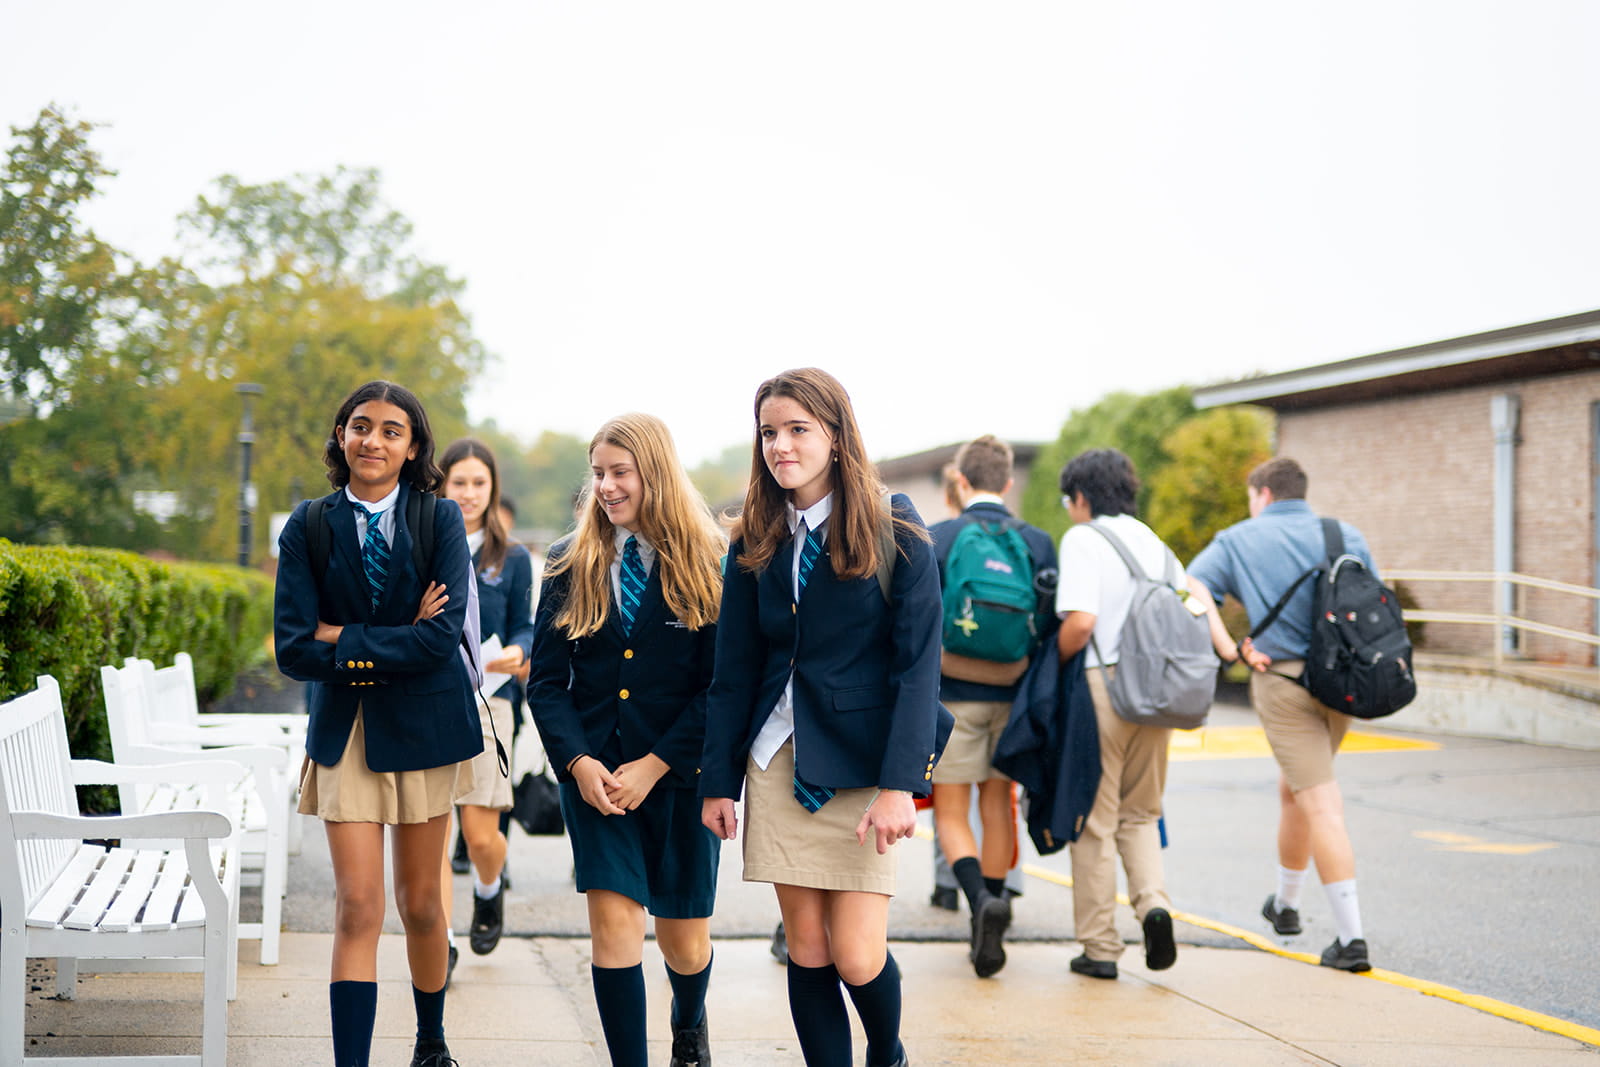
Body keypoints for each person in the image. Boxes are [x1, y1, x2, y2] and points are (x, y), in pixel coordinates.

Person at [701, 367, 947, 1067]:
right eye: (770, 432)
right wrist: (719, 780)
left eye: (798, 429)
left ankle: (887, 1052)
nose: (781, 445)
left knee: (858, 954)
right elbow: (734, 668)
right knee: (807, 948)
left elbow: (918, 664)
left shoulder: (893, 521)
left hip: (865, 765)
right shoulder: (756, 534)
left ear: (835, 437)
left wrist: (903, 782)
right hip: (779, 760)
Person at [274, 380, 480, 1067]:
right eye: (361, 425)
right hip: (348, 732)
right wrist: (392, 636)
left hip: (426, 730)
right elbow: (295, 647)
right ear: (340, 434)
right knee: (358, 905)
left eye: (393, 430)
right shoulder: (307, 524)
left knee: (421, 904)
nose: (373, 439)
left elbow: (442, 636)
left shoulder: (441, 520)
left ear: (413, 446)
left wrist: (345, 636)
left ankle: (431, 1040)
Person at [527, 413, 724, 1067]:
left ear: (655, 473)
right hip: (598, 781)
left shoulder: (708, 558)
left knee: (683, 943)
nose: (606, 487)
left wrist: (657, 763)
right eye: (598, 473)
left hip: (682, 778)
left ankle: (689, 1022)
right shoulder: (568, 559)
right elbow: (548, 684)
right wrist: (579, 762)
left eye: (620, 473)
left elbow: (719, 686)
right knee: (614, 929)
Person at [1184, 456, 1377, 973]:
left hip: (1283, 680)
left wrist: (1229, 646)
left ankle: (1351, 939)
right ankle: (1286, 905)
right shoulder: (1346, 534)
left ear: (1263, 494)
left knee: (1320, 802)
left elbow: (1190, 588)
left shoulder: (1238, 539)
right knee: (1295, 786)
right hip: (1342, 683)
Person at [929, 436, 1056, 977]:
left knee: (951, 812)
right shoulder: (1037, 542)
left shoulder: (938, 536)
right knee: (997, 802)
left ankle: (979, 900)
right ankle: (998, 896)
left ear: (960, 481)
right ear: (1007, 482)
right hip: (1014, 696)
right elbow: (1050, 626)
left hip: (951, 697)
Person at [1054, 448, 1179, 981]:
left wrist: (1053, 662)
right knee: (1142, 812)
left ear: (1082, 496)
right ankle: (1154, 905)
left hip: (1103, 686)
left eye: (1068, 500)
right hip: (1159, 693)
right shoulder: (1157, 543)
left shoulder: (1085, 538)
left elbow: (1081, 623)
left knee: (1096, 820)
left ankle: (1101, 947)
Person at [437, 439, 536, 964]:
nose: (470, 494)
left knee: (480, 836)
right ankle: (442, 941)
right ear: (441, 485)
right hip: (427, 702)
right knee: (430, 835)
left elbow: (526, 625)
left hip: (488, 703)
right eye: (459, 483)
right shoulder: (425, 543)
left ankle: (488, 890)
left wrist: (521, 649)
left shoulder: (512, 557)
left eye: (479, 483)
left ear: (492, 488)